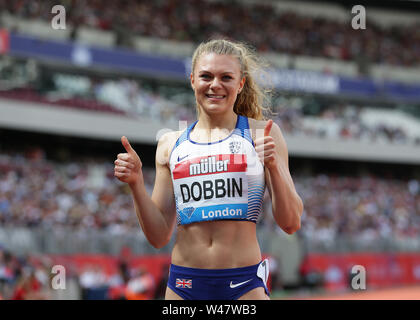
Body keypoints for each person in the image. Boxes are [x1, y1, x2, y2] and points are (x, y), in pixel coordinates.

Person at [114, 39, 303, 300]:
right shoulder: (170, 144)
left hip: (243, 285)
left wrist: (275, 168)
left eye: (226, 77)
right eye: (206, 76)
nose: (215, 85)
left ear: (240, 84)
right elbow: (158, 237)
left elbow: (291, 222)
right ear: (192, 80)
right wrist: (135, 184)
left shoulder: (262, 133)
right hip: (184, 285)